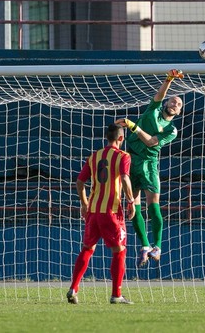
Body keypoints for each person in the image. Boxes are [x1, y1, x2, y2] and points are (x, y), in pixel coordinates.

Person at [115, 69, 184, 268]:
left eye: (179, 104)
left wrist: (133, 126)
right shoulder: (152, 110)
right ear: (166, 103)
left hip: (149, 164)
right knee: (134, 207)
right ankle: (144, 246)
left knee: (153, 206)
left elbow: (152, 142)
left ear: (179, 112)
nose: (175, 104)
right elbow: (160, 94)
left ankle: (158, 246)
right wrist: (169, 80)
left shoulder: (171, 130)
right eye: (173, 101)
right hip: (131, 160)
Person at [67, 123, 136, 305]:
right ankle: (116, 295)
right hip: (111, 212)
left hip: (93, 211)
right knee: (119, 250)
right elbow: (124, 178)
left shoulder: (94, 156)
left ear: (107, 137)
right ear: (121, 138)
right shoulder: (123, 156)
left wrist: (84, 204)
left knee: (87, 249)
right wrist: (130, 201)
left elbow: (80, 182)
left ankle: (73, 288)